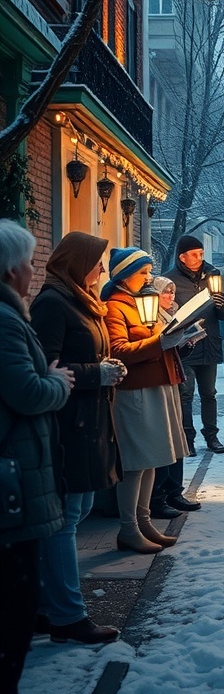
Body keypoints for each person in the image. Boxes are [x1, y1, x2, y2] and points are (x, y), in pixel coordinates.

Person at [30, 232, 123, 645]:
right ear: (77, 263)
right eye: (97, 262)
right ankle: (67, 614)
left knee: (77, 510)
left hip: (88, 420)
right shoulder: (53, 302)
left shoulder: (80, 301)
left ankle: (46, 603)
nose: (102, 270)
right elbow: (46, 367)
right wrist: (93, 374)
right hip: (70, 424)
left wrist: (103, 367)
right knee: (65, 520)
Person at [0, 220, 74, 693]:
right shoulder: (6, 319)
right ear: (11, 270)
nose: (33, 269)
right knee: (14, 598)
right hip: (14, 474)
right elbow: (25, 391)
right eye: (29, 261)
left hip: (20, 470)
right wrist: (57, 382)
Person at [103, 248, 192, 554]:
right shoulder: (115, 306)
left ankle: (144, 522)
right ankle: (129, 528)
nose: (148, 278)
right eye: (142, 273)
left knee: (152, 458)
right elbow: (119, 350)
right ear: (124, 274)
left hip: (156, 384)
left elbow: (153, 337)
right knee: (136, 461)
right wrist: (161, 341)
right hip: (135, 391)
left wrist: (177, 336)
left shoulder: (141, 300)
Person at [165, 236, 224, 454]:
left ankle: (212, 436)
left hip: (209, 344)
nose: (200, 257)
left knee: (209, 393)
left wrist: (222, 304)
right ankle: (187, 438)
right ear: (182, 257)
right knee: (185, 393)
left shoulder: (213, 276)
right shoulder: (170, 280)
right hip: (185, 346)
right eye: (195, 254)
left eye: (201, 253)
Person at [149, 275, 202, 519]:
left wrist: (187, 343)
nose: (170, 297)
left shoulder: (171, 315)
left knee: (176, 436)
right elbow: (155, 346)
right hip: (160, 380)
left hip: (174, 378)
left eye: (172, 292)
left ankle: (174, 490)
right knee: (165, 438)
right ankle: (160, 494)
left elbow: (173, 349)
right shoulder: (151, 315)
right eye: (165, 293)